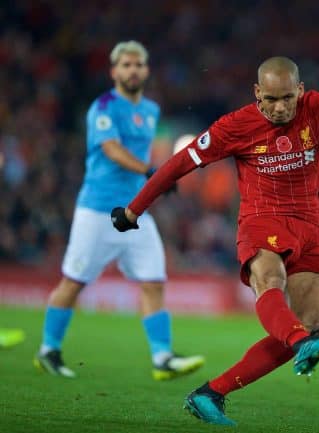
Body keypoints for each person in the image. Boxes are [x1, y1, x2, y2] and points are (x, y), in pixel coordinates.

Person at [111, 56, 319, 425]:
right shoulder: (235, 125)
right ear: (257, 93)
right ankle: (300, 345)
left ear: (301, 91)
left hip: (311, 226)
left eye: (287, 99)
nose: (279, 108)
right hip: (261, 219)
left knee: (310, 324)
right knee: (271, 282)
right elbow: (180, 163)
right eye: (271, 99)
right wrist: (134, 211)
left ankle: (210, 393)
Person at [34, 41, 205, 380]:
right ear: (114, 71)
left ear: (146, 70)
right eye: (125, 65)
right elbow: (111, 149)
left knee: (154, 280)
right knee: (73, 282)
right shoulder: (104, 106)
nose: (132, 70)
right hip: (97, 209)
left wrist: (157, 178)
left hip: (136, 211)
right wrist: (150, 173)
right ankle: (48, 349)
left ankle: (162, 358)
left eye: (138, 65)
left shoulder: (152, 110)